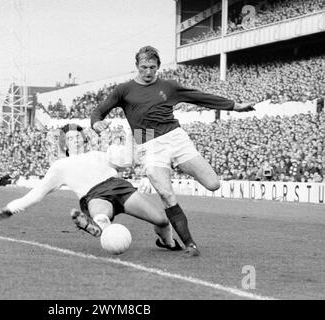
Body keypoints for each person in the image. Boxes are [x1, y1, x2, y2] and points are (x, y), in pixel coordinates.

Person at [91, 46, 255, 256]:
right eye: (143, 67)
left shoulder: (168, 86)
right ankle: (190, 244)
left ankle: (178, 167)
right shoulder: (124, 90)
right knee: (167, 195)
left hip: (176, 138)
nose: (148, 72)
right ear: (137, 66)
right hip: (147, 141)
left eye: (152, 67)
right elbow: (99, 110)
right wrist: (96, 123)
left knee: (213, 184)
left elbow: (198, 97)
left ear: (158, 66)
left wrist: (234, 106)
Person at [0, 124, 184, 253]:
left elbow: (129, 161)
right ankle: (101, 229)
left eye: (77, 136)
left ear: (84, 140)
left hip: (119, 187)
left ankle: (168, 243)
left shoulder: (100, 154)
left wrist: (132, 137)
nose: (74, 140)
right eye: (70, 138)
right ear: (64, 143)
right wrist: (10, 209)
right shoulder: (60, 166)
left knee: (162, 220)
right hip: (94, 195)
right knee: (102, 217)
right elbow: (36, 194)